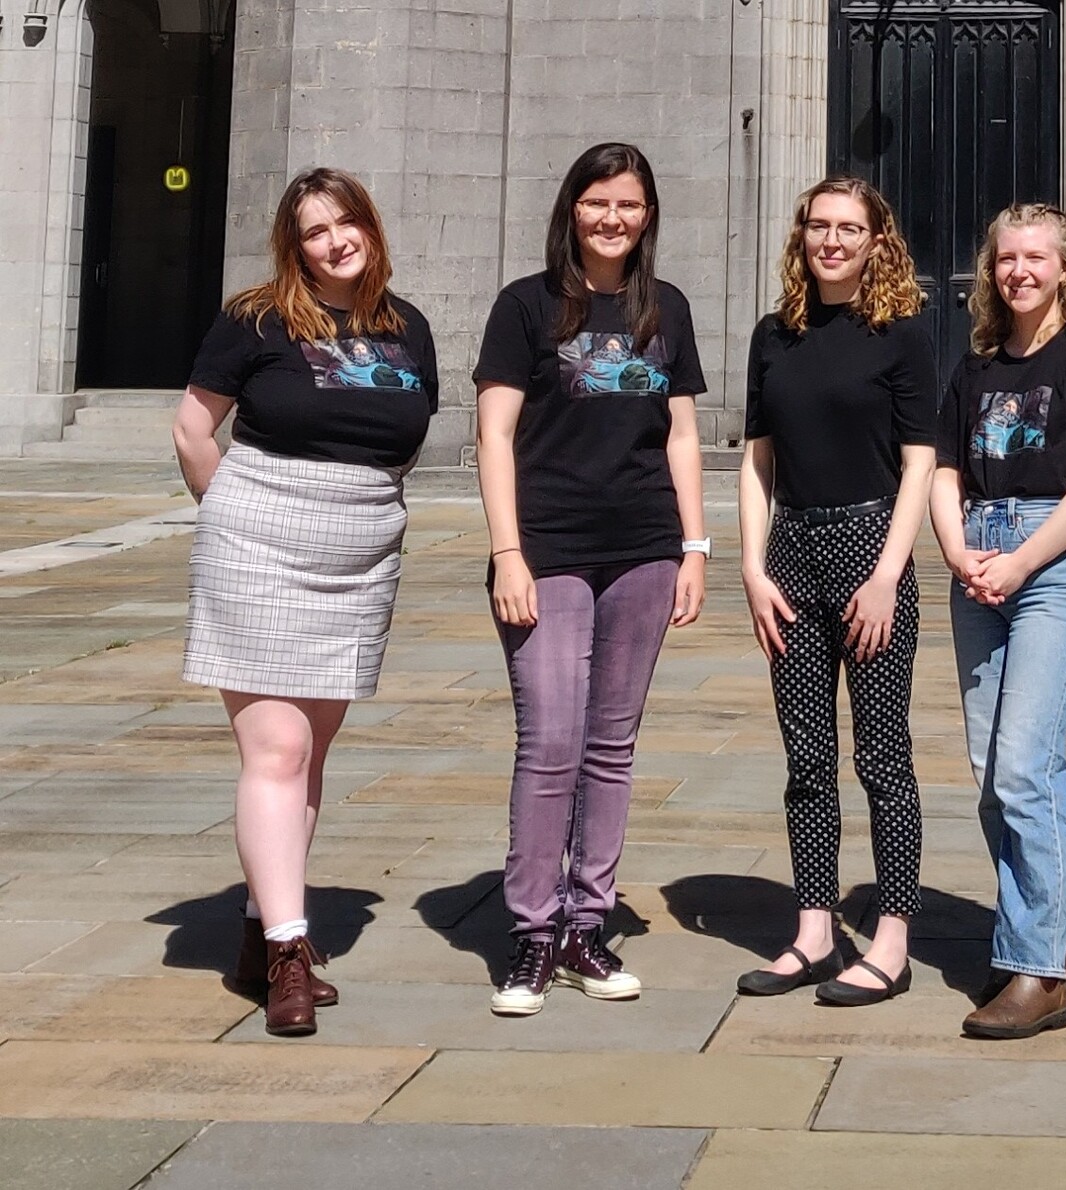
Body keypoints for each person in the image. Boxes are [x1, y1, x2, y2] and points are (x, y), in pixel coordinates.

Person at [172, 167, 439, 1037]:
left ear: (370, 226)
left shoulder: (409, 330)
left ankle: (258, 929)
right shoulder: (255, 316)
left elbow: (401, 445)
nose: (335, 241)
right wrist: (237, 518)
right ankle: (291, 953)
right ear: (295, 247)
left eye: (346, 222)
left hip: (358, 554)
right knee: (277, 748)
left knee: (310, 755)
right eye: (315, 231)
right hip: (259, 540)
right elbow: (191, 427)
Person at [474, 142, 708, 1017]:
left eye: (631, 205)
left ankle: (586, 924)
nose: (614, 218)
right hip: (550, 548)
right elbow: (493, 435)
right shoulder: (526, 306)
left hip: (644, 546)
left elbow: (681, 434)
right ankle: (532, 934)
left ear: (649, 216)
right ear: (572, 207)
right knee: (550, 742)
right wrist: (508, 553)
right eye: (598, 202)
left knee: (611, 744)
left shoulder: (666, 309)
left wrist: (694, 547)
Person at [735, 177, 937, 1006]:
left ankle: (892, 938)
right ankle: (814, 930)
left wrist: (888, 573)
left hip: (870, 544)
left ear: (876, 240)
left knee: (882, 757)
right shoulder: (772, 335)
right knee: (806, 759)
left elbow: (922, 460)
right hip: (791, 551)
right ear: (802, 236)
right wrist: (751, 566)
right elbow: (757, 458)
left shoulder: (904, 335)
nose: (832, 240)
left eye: (849, 228)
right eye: (819, 225)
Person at [929, 203, 1066, 1039]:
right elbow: (944, 469)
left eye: (1035, 258)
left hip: (1052, 565)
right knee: (992, 774)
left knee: (1024, 767)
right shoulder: (975, 369)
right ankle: (1038, 939)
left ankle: (1039, 971)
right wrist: (958, 551)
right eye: (1006, 258)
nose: (1018, 272)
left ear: (1063, 269)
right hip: (979, 559)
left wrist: (1019, 560)